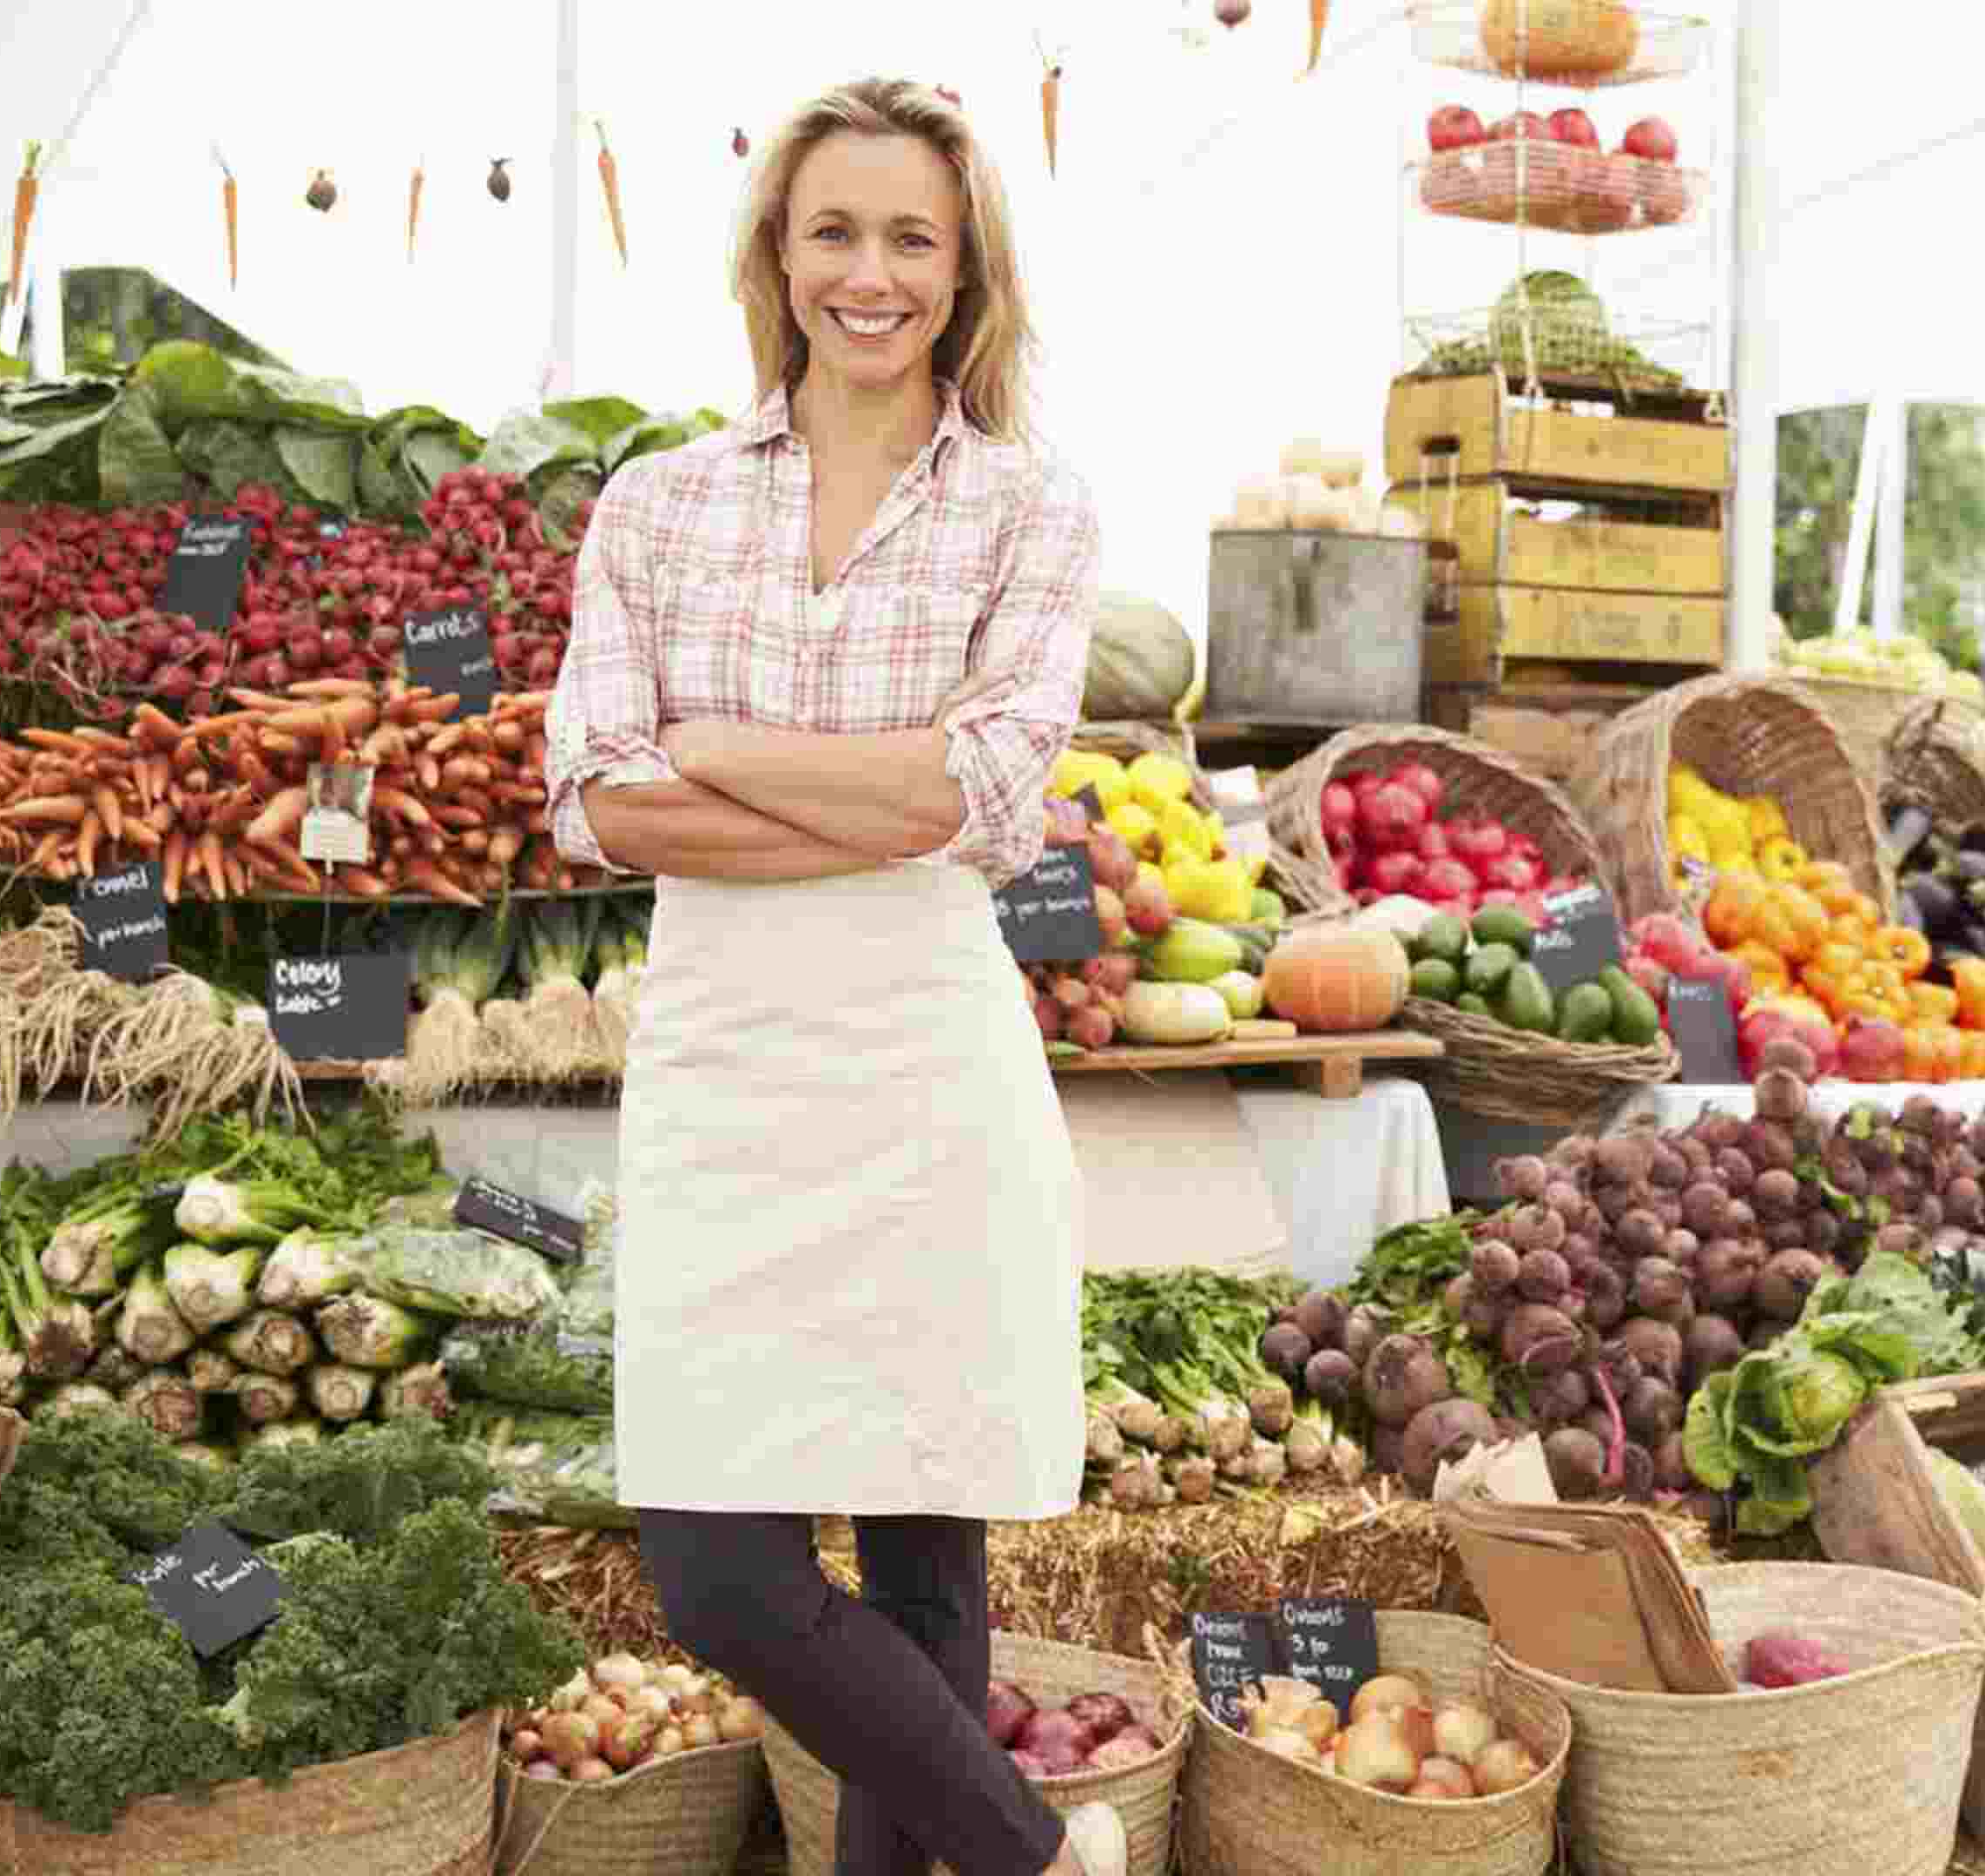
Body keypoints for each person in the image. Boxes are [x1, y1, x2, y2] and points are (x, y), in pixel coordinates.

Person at [542, 78, 1111, 1876]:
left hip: (928, 1065)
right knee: (718, 1571)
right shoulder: (659, 502)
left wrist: (721, 747)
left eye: (911, 239)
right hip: (729, 1066)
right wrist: (873, 797)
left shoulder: (1029, 507)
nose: (870, 274)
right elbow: (596, 804)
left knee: (931, 1554)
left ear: (965, 276)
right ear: (778, 261)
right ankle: (1036, 1858)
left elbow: (986, 795)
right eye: (834, 232)